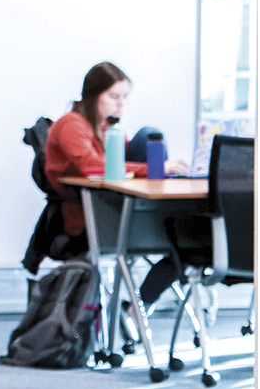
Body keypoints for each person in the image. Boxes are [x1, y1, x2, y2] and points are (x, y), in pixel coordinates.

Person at [44, 61, 188, 307]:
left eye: (125, 97)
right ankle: (139, 307)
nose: (121, 104)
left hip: (116, 204)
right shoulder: (71, 124)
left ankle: (138, 306)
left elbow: (120, 167)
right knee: (149, 135)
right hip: (92, 213)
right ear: (93, 96)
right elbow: (92, 165)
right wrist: (153, 169)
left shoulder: (110, 128)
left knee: (187, 234)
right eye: (113, 96)